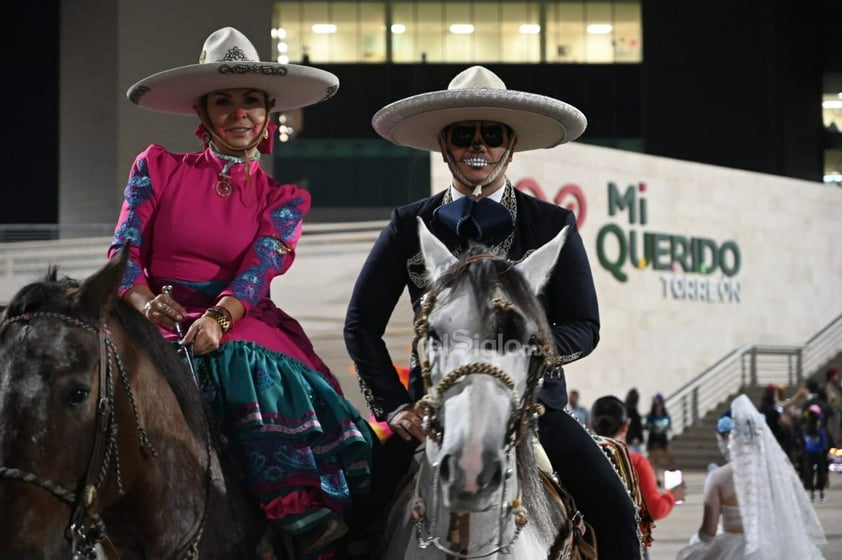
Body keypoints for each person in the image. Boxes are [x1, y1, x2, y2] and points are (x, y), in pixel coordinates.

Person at [344, 65, 642, 558]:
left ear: (511, 145)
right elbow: (361, 325)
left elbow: (583, 326)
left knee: (614, 510)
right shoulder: (407, 224)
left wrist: (531, 354)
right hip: (432, 411)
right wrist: (395, 407)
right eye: (464, 135)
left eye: (491, 135)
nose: (477, 145)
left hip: (534, 408)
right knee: (355, 520)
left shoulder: (553, 224)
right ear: (444, 143)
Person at [109, 27, 373, 558]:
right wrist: (143, 301)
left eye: (251, 100)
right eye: (223, 101)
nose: (239, 113)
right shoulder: (155, 167)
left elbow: (258, 272)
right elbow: (123, 255)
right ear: (202, 114)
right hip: (150, 314)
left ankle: (296, 514)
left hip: (239, 315)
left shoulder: (285, 199)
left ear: (267, 112)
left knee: (239, 357)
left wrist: (219, 320)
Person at [677, 394, 826, 559]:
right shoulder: (780, 473)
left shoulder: (717, 478)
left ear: (728, 438)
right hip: (774, 547)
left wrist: (696, 543)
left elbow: (708, 532)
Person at [591, 395, 685, 557]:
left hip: (589, 546)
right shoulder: (635, 462)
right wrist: (672, 496)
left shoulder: (582, 458)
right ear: (626, 426)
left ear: (592, 425)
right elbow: (654, 509)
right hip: (626, 547)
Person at [797, 404, 830, 502]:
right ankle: (821, 493)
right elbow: (824, 442)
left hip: (808, 453)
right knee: (820, 473)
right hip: (819, 453)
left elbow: (802, 440)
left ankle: (811, 493)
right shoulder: (819, 430)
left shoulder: (805, 429)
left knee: (810, 473)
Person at [645, 393, 676, 476]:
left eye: (659, 404)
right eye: (656, 404)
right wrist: (652, 426)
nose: (658, 406)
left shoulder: (666, 416)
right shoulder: (651, 416)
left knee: (670, 456)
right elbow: (647, 426)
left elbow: (669, 426)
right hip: (654, 438)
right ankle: (656, 478)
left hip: (663, 438)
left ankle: (672, 475)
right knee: (655, 458)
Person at [625, 388, 646, 454]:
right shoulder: (631, 411)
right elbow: (631, 425)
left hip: (632, 440)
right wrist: (633, 437)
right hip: (633, 440)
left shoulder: (628, 409)